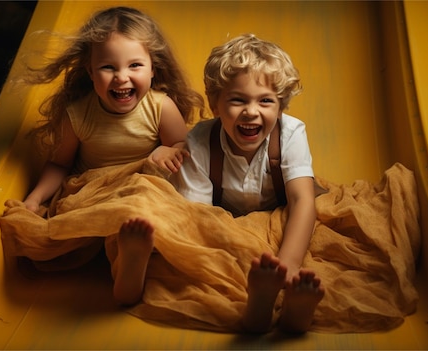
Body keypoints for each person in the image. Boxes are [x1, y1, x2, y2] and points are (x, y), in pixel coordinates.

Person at [113, 34, 324, 333]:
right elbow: (199, 219)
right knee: (181, 250)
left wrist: (288, 264)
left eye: (266, 101)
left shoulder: (290, 134)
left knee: (305, 246)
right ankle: (253, 304)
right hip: (220, 224)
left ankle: (290, 310)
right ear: (215, 103)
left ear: (281, 107)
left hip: (278, 222)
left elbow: (302, 200)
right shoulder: (201, 141)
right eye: (237, 100)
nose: (251, 111)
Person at [21, 6, 204, 213]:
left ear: (153, 68)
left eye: (134, 65)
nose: (121, 77)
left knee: (149, 201)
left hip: (140, 194)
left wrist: (168, 149)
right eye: (108, 67)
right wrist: (34, 199)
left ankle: (132, 241)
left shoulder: (160, 107)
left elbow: (185, 150)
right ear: (90, 71)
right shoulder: (78, 115)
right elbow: (59, 165)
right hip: (92, 196)